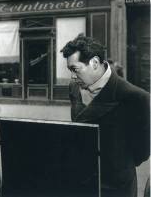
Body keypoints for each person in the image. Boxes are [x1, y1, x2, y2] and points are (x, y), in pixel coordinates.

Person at [61, 34, 150, 197]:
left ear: (95, 63)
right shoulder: (74, 88)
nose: (72, 76)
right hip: (80, 182)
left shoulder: (136, 97)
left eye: (75, 69)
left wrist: (117, 164)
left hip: (115, 186)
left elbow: (142, 152)